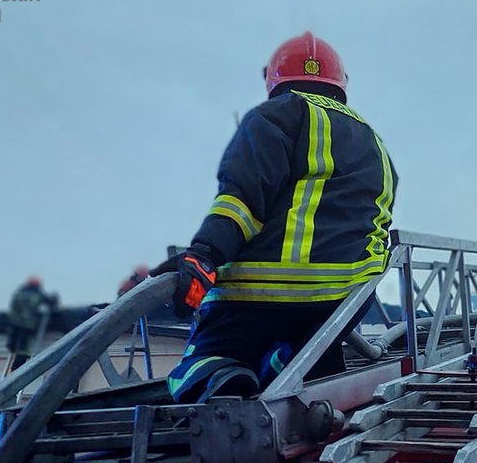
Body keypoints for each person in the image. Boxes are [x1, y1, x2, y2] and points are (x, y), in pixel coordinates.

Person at [156, 31, 399, 405]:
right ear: (340, 82)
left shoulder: (273, 117)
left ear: (275, 80)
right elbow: (379, 225)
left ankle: (222, 376)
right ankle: (292, 360)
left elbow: (242, 202)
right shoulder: (376, 143)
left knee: (201, 363)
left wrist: (204, 255)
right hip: (343, 302)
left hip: (259, 296)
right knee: (308, 347)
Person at [5, 276, 58, 371]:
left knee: (14, 347)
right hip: (27, 325)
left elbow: (13, 308)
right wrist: (54, 298)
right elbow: (50, 302)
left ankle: (12, 354)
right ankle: (16, 371)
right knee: (23, 350)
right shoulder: (37, 294)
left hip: (14, 325)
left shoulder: (19, 294)